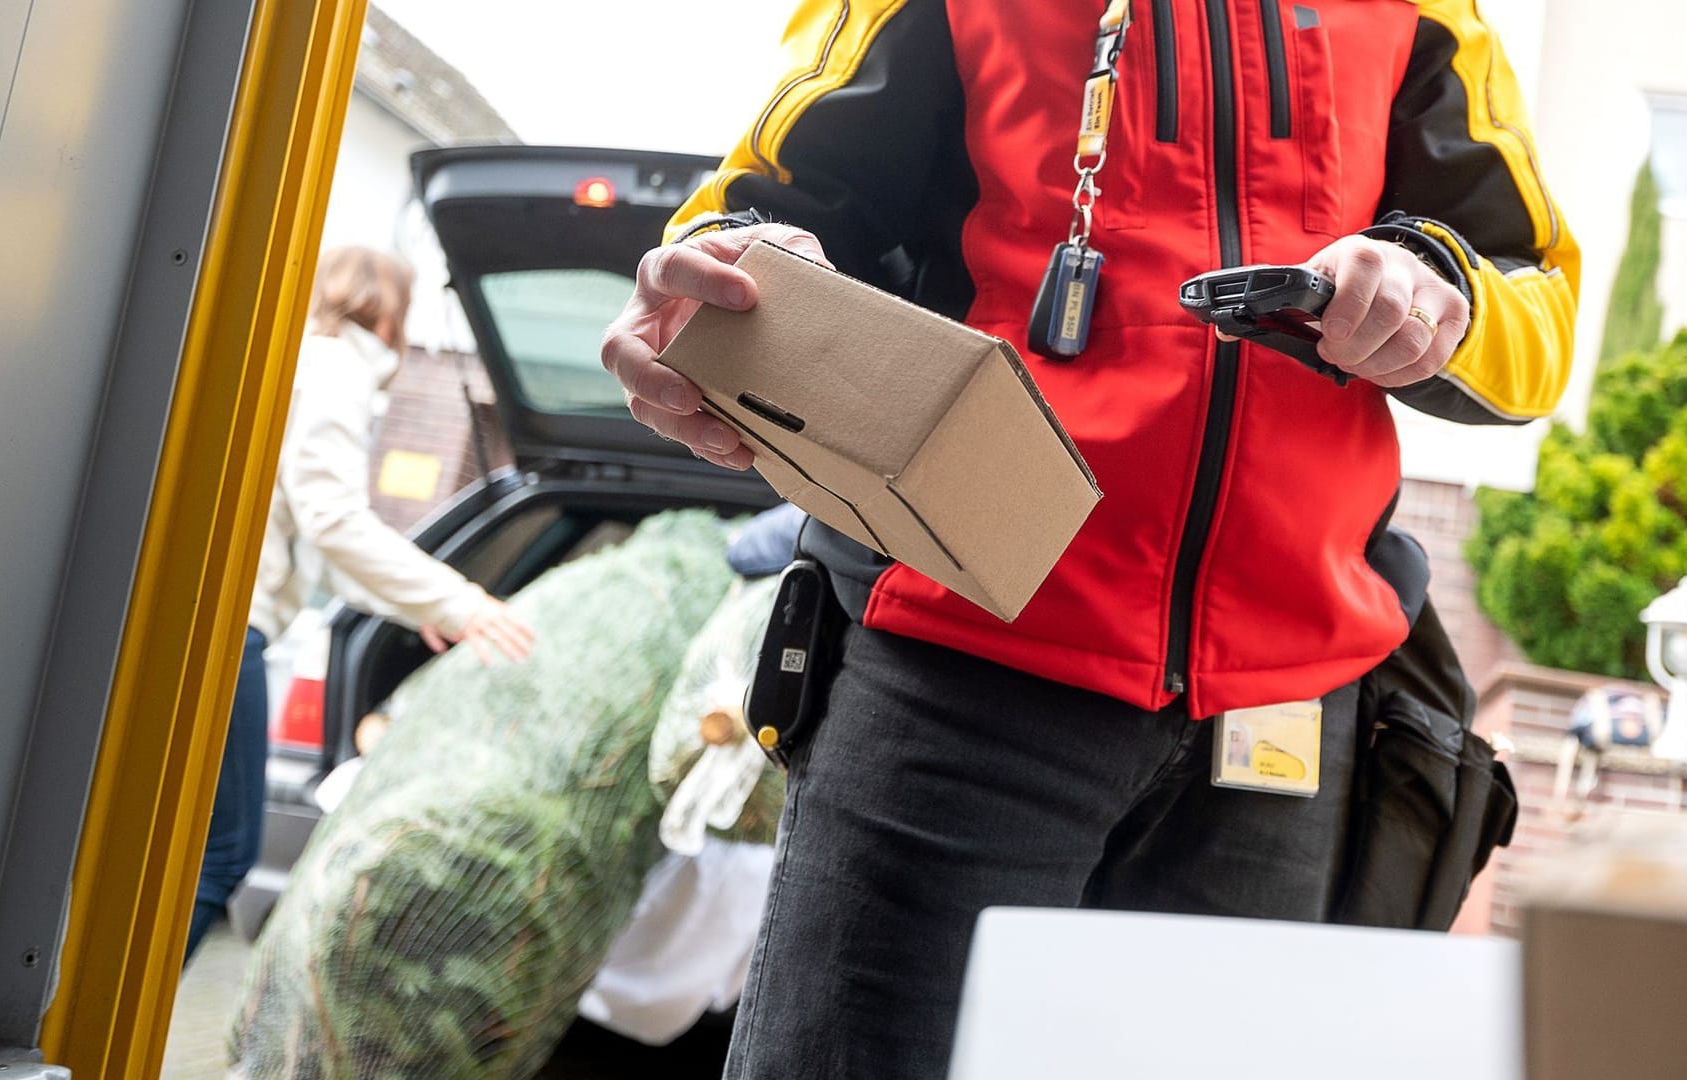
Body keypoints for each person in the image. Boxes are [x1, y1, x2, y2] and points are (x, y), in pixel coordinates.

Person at [601, 3, 1579, 1076]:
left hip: (1282, 711)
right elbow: (763, 210)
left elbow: (1534, 304)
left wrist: (1438, 290)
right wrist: (728, 273)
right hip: (964, 668)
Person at [187, 246, 536, 960]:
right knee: (222, 857)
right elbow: (333, 521)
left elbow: (320, 548)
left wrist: (426, 610)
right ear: (388, 309)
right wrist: (462, 601)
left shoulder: (304, 363)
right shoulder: (339, 371)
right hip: (232, 634)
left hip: (212, 623)